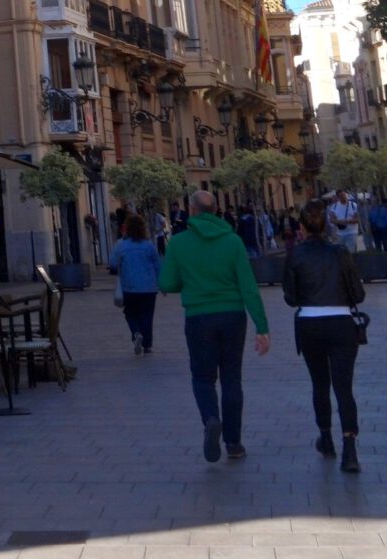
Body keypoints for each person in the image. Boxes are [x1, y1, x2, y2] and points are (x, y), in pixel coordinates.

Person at [159, 191, 271, 463]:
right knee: (231, 378)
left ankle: (210, 418)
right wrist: (262, 327)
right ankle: (234, 443)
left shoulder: (179, 243)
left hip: (198, 317)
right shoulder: (233, 241)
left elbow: (167, 283)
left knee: (202, 377)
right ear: (216, 209)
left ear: (192, 210)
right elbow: (248, 286)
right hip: (233, 315)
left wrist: (189, 281)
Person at [280, 206, 367, 473]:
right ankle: (350, 450)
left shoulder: (295, 254)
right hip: (341, 323)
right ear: (326, 226)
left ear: (302, 228)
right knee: (344, 387)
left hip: (310, 324)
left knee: (319, 384)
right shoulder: (340, 253)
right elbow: (358, 294)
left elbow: (290, 297)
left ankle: (326, 438)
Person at [110, 215, 162, 355]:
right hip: (149, 287)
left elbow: (112, 263)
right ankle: (147, 345)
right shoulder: (148, 245)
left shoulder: (121, 245)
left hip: (129, 287)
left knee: (130, 313)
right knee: (147, 315)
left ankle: (136, 332)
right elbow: (157, 266)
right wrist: (162, 284)